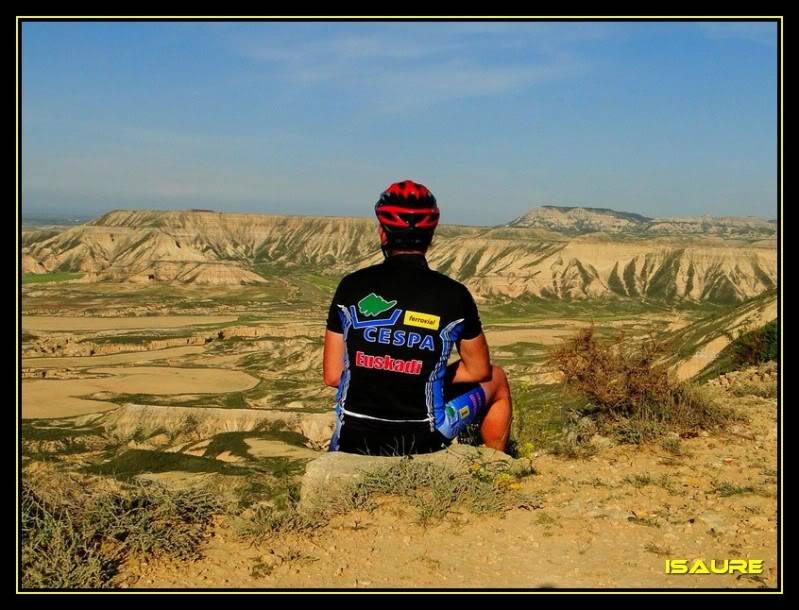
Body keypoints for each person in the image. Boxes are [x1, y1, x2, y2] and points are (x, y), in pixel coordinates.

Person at [323, 180, 512, 455]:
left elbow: (332, 375)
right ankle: (496, 468)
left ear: (382, 233)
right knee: (497, 379)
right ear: (431, 235)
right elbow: (479, 371)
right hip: (422, 437)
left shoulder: (351, 286)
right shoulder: (454, 294)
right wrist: (422, 373)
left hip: (352, 437)